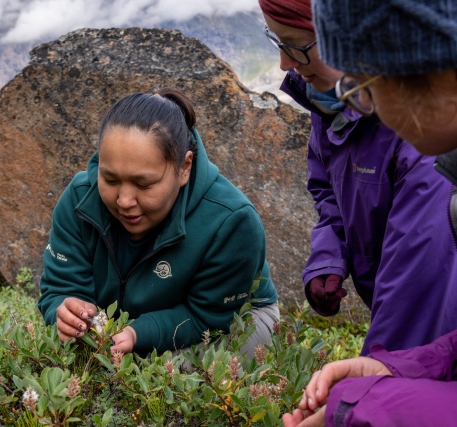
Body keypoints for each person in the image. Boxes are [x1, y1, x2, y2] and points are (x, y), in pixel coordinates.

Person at [282, 0, 457, 425]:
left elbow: (415, 275)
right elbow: (329, 195)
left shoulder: (433, 171)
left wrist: (360, 409)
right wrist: (395, 370)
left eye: (362, 84)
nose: (361, 103)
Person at [37, 87, 279, 356]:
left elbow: (209, 317)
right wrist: (65, 311)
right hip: (123, 329)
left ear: (185, 167)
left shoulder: (232, 222)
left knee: (183, 376)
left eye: (144, 184)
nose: (124, 200)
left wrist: (140, 332)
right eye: (111, 180)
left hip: (229, 320)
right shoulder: (80, 199)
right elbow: (59, 288)